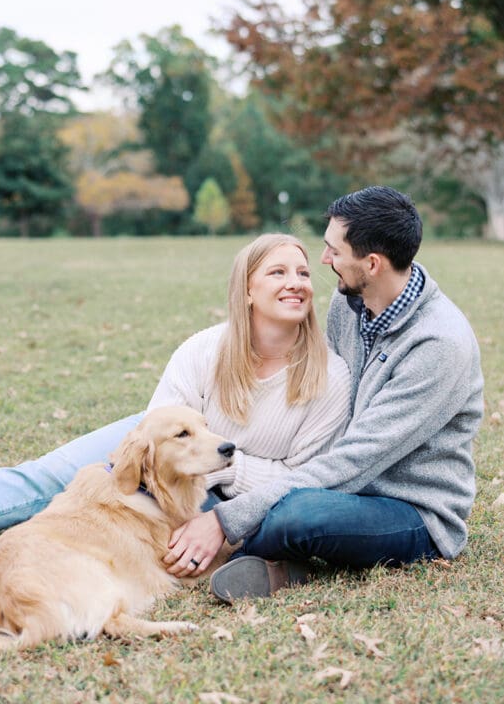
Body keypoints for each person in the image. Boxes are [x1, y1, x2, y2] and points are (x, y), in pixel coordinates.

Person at [0, 233, 351, 568]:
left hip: (232, 504)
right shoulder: (204, 349)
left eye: (304, 273)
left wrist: (226, 472)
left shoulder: (330, 376)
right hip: (164, 468)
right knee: (53, 477)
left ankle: (257, 566)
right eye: (278, 273)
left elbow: (306, 480)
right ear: (248, 290)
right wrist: (156, 466)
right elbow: (156, 429)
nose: (297, 283)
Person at [169, 186, 484, 603]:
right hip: (341, 482)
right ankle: (274, 559)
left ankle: (234, 552)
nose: (323, 261)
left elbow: (356, 461)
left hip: (410, 509)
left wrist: (225, 521)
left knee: (298, 516)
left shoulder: (439, 345)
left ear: (371, 264)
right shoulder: (349, 301)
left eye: (334, 250)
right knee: (254, 498)